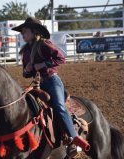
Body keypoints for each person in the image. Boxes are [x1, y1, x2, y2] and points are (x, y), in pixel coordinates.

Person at [12, 17, 89, 158]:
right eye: (21, 32)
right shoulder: (26, 52)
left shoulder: (44, 44)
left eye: (25, 31)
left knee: (59, 106)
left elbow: (61, 58)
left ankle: (73, 139)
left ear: (34, 31)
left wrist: (42, 65)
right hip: (38, 84)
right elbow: (26, 74)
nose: (22, 34)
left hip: (52, 81)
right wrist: (28, 70)